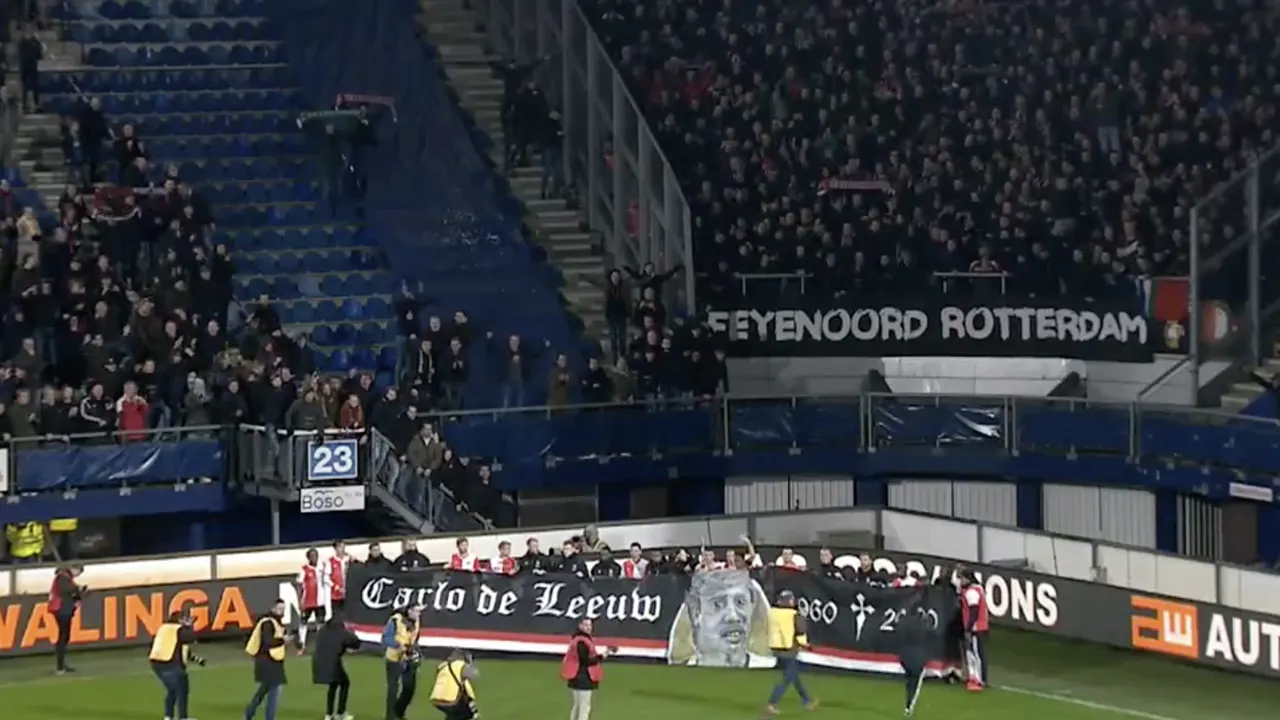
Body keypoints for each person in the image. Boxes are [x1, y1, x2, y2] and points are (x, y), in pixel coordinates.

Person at [764, 590, 816, 716]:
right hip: (789, 648)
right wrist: (805, 644)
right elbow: (800, 631)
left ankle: (807, 701)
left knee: (793, 676)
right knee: (788, 677)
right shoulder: (794, 614)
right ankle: (772, 703)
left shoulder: (772, 612)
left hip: (776, 647)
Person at [149, 611, 203, 720]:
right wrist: (189, 626)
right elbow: (192, 638)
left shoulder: (163, 628)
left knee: (172, 690)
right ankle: (182, 717)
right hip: (171, 664)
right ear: (180, 620)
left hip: (156, 664)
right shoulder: (178, 629)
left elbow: (175, 646)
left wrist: (196, 659)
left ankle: (168, 716)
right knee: (182, 690)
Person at [244, 598, 289, 720]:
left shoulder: (274, 622)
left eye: (283, 609)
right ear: (273, 608)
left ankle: (249, 713)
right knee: (274, 692)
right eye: (279, 609)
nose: (282, 611)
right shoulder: (268, 623)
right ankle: (269, 718)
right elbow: (268, 641)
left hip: (269, 661)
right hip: (268, 662)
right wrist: (283, 640)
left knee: (264, 689)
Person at [560, 618, 612, 720]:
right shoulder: (582, 641)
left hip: (576, 676)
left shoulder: (578, 639)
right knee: (584, 708)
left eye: (590, 625)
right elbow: (586, 661)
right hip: (583, 677)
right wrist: (601, 657)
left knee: (577, 706)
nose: (588, 627)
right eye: (586, 625)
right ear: (580, 626)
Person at [313, 612, 360, 720]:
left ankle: (329, 714)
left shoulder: (323, 630)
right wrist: (350, 632)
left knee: (333, 685)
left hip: (319, 661)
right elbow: (355, 642)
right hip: (333, 662)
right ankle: (341, 713)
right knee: (345, 683)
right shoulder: (341, 632)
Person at [382, 603, 423, 720]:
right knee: (393, 689)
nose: (418, 614)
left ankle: (399, 712)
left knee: (409, 688)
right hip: (394, 659)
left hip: (408, 658)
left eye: (419, 611)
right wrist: (399, 646)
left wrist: (414, 650)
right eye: (416, 611)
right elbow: (385, 639)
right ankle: (390, 717)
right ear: (409, 611)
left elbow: (415, 638)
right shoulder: (395, 620)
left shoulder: (417, 622)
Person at [896, 594, 932, 717]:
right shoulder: (923, 622)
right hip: (918, 655)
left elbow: (899, 633)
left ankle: (908, 705)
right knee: (916, 684)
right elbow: (929, 635)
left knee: (909, 681)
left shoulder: (905, 621)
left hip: (905, 655)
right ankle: (909, 707)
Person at [48, 562, 84, 674]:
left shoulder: (64, 577)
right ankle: (60, 666)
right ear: (73, 569)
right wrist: (78, 590)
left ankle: (61, 665)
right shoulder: (64, 578)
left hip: (62, 608)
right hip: (61, 609)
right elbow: (66, 591)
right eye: (78, 572)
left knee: (64, 636)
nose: (77, 574)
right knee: (63, 636)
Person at [959, 568, 989, 691]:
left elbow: (974, 611)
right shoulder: (978, 589)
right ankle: (975, 676)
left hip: (977, 628)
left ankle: (980, 679)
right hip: (980, 626)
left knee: (977, 654)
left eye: (961, 578)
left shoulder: (972, 592)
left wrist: (968, 628)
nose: (960, 581)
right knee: (972, 653)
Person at [430, 648, 480, 720]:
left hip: (437, 699)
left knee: (454, 716)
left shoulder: (442, 666)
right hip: (452, 700)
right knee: (466, 715)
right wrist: (471, 663)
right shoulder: (460, 665)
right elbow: (475, 675)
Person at [296, 547, 328, 654]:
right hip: (308, 601)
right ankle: (301, 645)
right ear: (308, 558)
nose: (314, 558)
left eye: (316, 556)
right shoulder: (304, 569)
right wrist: (300, 600)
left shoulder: (322, 567)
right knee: (303, 622)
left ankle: (321, 646)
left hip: (320, 601)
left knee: (320, 623)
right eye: (312, 556)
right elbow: (299, 585)